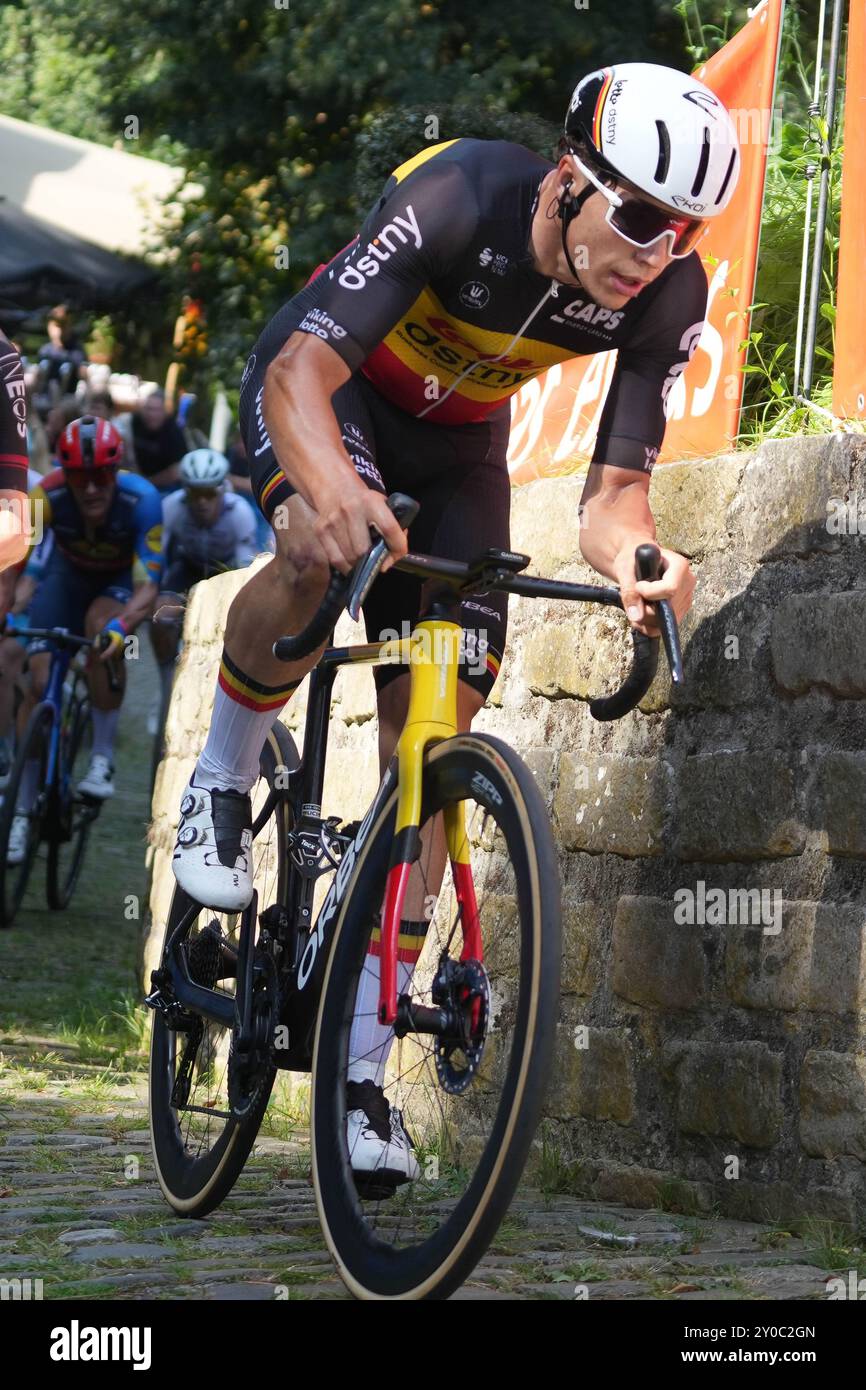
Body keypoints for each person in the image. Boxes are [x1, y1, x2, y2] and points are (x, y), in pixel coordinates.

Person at [171, 62, 741, 1179]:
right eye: (635, 215)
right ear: (568, 180)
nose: (653, 251)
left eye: (681, 232)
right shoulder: (459, 198)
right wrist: (328, 491)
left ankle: (359, 1077)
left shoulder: (664, 293)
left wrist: (638, 556)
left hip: (460, 455)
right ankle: (219, 784)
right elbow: (297, 369)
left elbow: (610, 499)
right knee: (308, 547)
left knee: (428, 750)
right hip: (329, 393)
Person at [0, 417, 163, 860]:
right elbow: (13, 565)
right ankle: (21, 808)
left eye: (100, 477)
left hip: (115, 588)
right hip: (65, 580)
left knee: (100, 627)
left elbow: (148, 585)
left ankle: (102, 757)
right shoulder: (45, 496)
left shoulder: (142, 500)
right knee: (36, 683)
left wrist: (122, 627)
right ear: (65, 475)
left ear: (116, 471)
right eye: (79, 478)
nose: (91, 489)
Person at [149, 449, 259, 720]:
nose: (202, 502)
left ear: (223, 490)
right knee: (160, 616)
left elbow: (245, 573)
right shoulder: (172, 507)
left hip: (225, 571)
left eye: (209, 494)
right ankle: (165, 683)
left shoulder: (240, 513)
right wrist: (155, 594)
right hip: (188, 568)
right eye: (195, 494)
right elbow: (157, 559)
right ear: (185, 491)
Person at [121, 389, 188, 494]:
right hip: (138, 479)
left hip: (165, 487)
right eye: (148, 409)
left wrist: (146, 483)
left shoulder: (174, 432)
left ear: (164, 412)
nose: (151, 414)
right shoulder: (134, 422)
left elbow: (177, 471)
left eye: (156, 410)